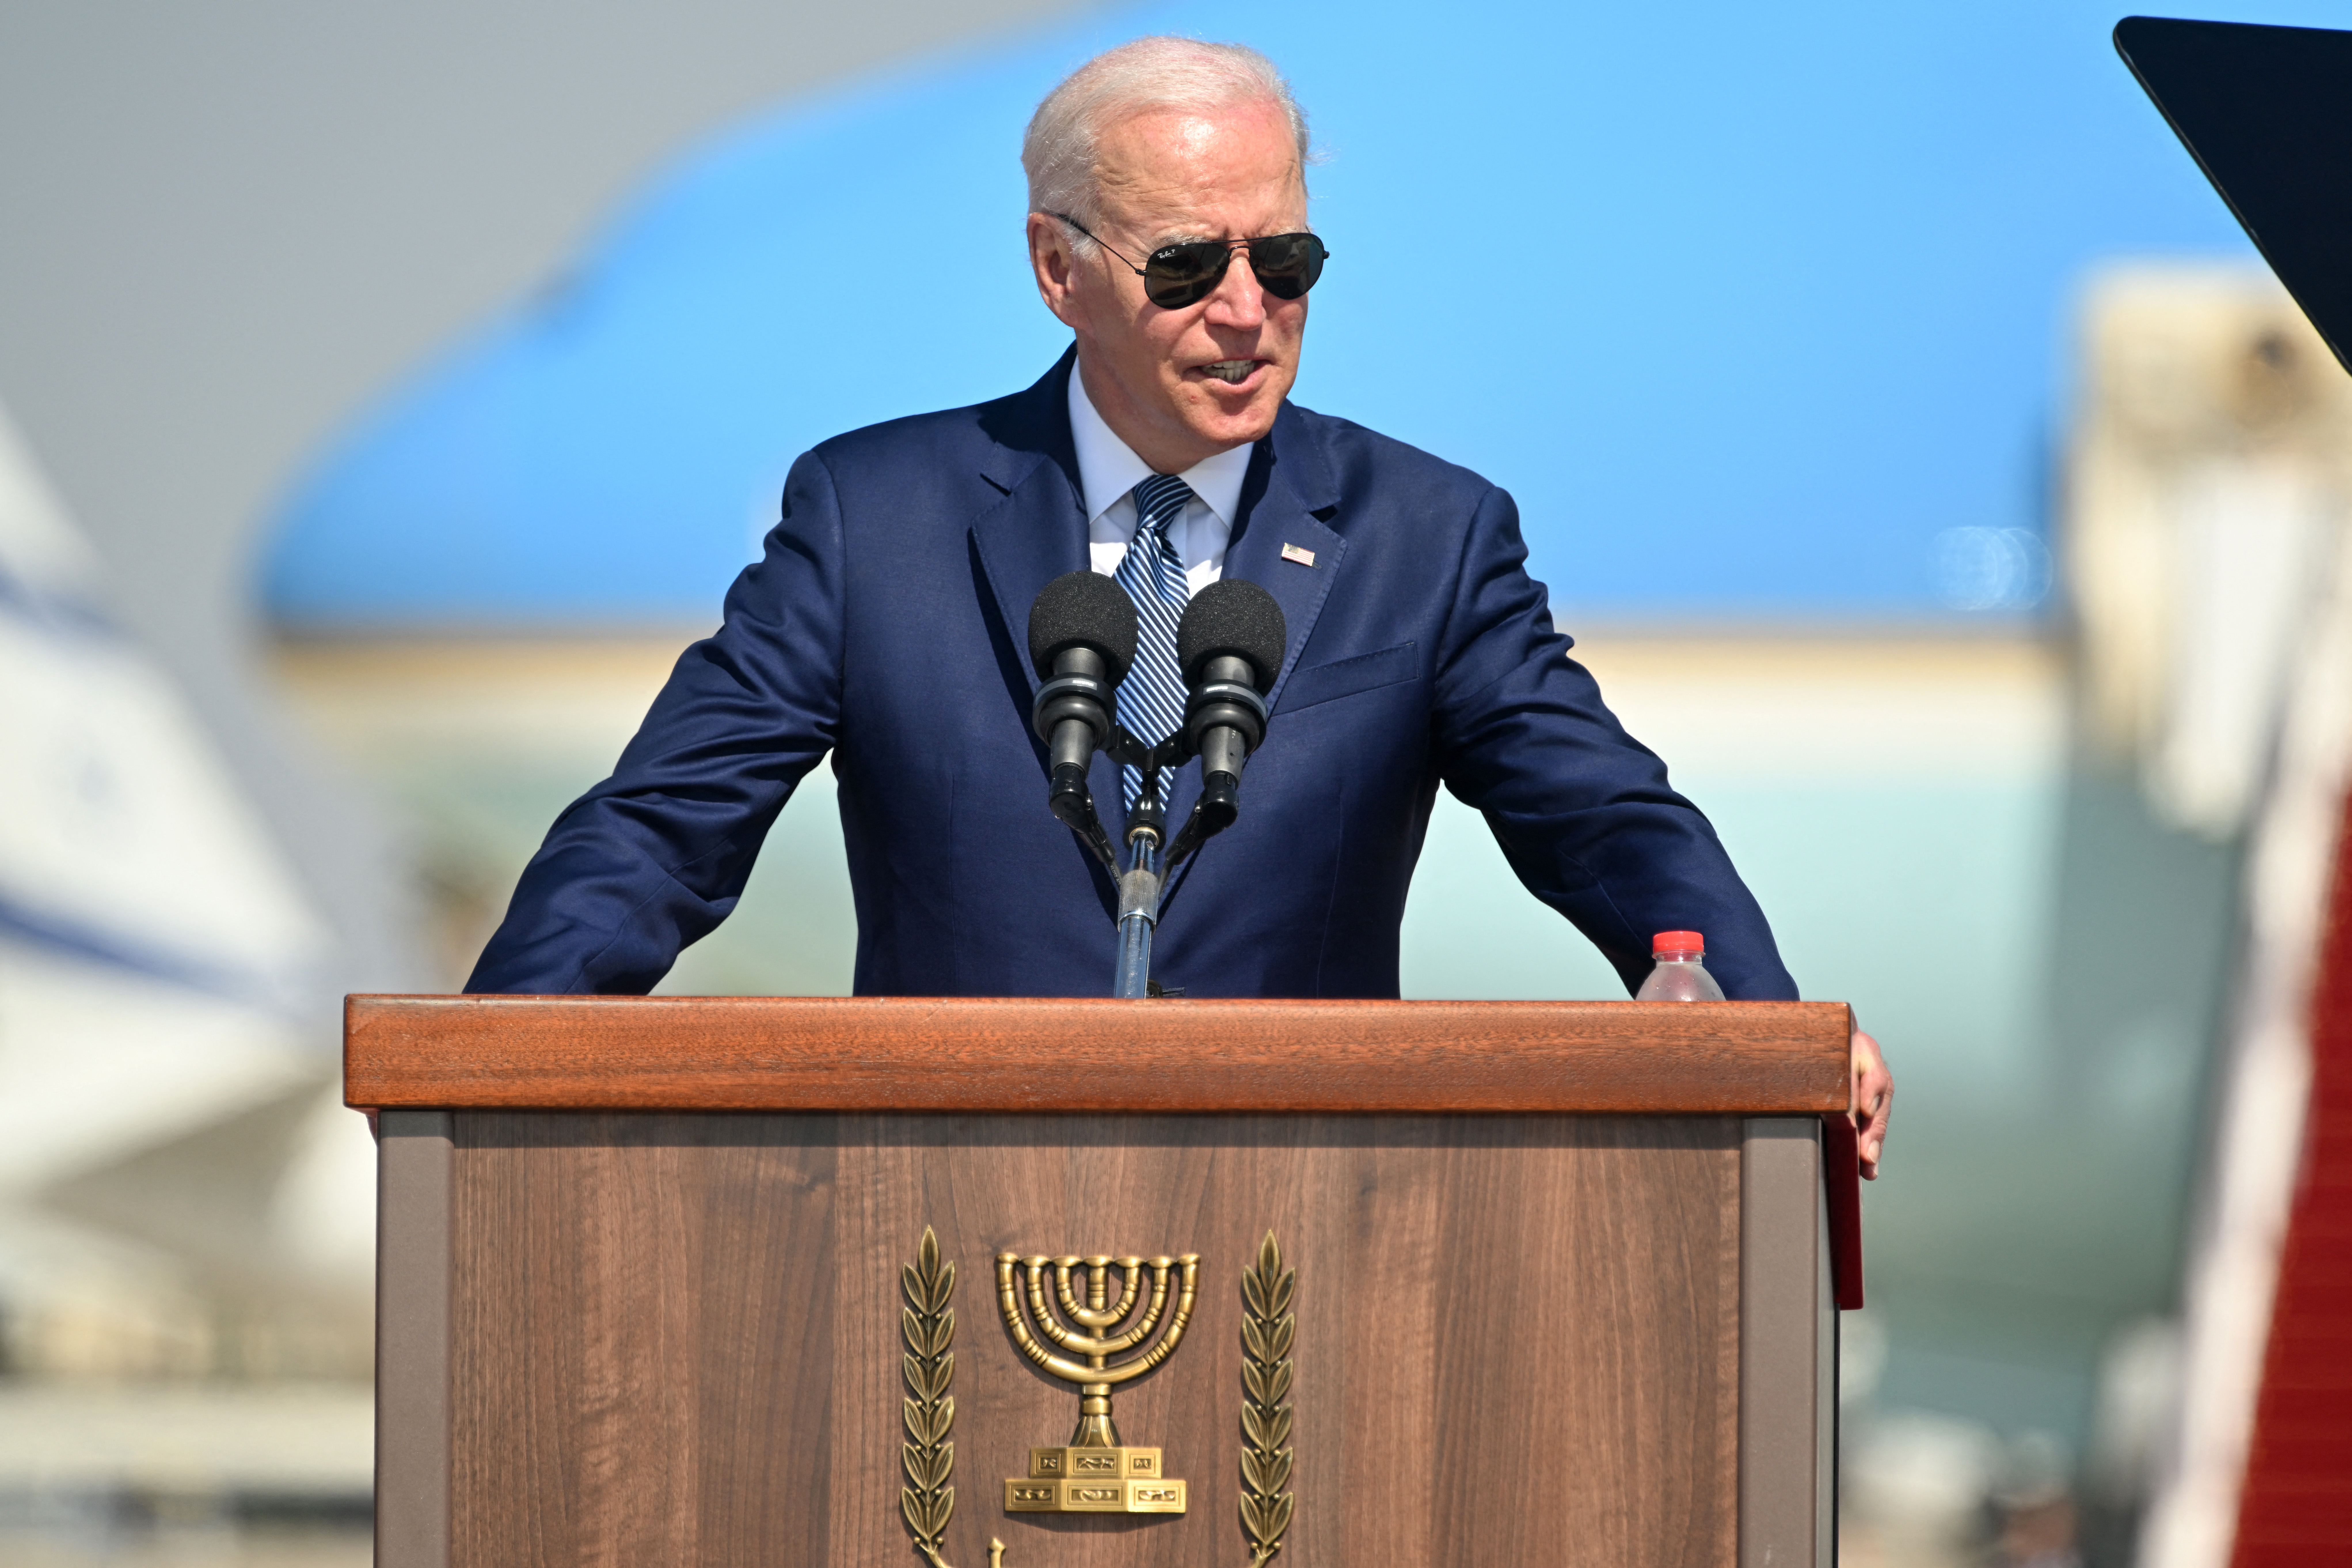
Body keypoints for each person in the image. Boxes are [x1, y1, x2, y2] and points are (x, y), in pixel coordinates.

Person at [467, 37, 1894, 1174]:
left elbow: (1603, 819)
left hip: (1311, 1216)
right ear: (1057, 268)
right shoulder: (873, 519)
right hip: (940, 1213)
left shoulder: (1426, 535)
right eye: (1189, 265)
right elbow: (662, 829)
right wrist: (484, 1074)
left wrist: (1771, 1032)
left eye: (1283, 263)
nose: (1246, 309)